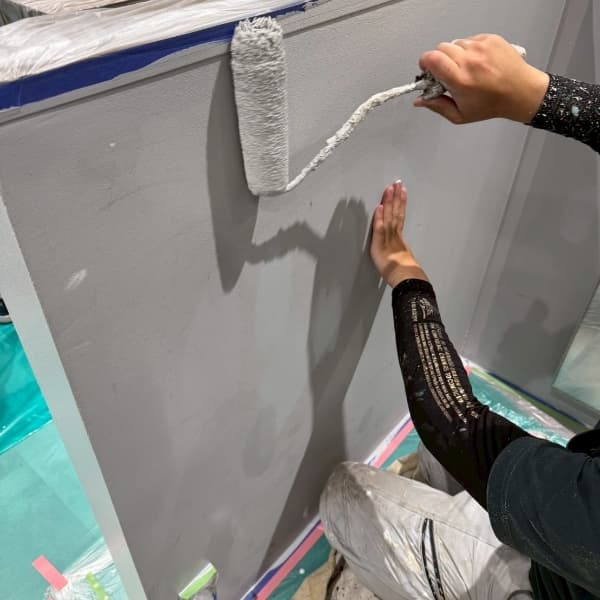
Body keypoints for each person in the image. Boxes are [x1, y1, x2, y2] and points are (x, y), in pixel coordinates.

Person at [320, 35, 600, 600]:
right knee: (449, 450)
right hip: (575, 535)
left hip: (549, 581)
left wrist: (405, 276)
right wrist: (536, 94)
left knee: (342, 493)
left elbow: (456, 425)